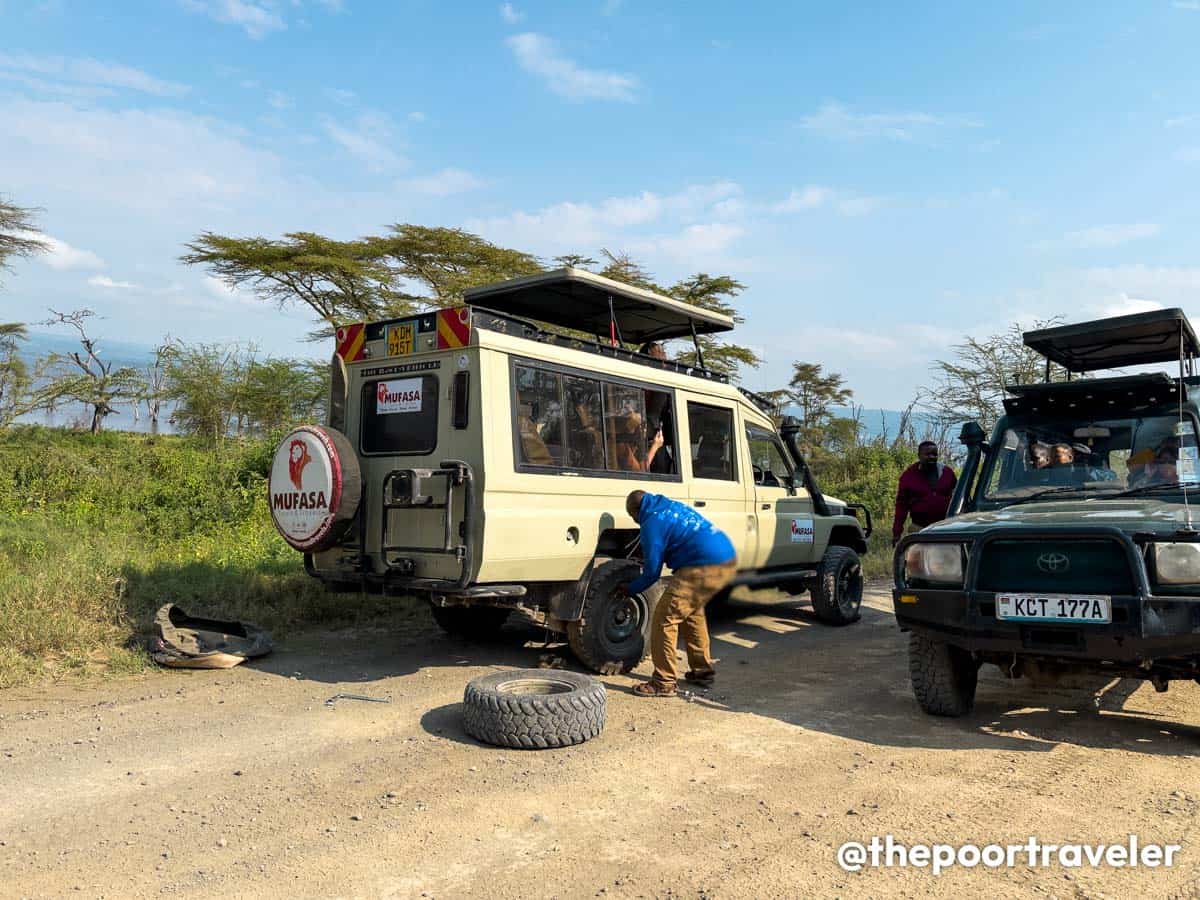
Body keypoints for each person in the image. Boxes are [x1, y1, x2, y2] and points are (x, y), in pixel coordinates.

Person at [622, 490, 737, 697]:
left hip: (702, 565)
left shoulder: (651, 522)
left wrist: (629, 590)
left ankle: (663, 682)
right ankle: (702, 672)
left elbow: (652, 573)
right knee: (692, 614)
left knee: (665, 618)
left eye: (632, 517)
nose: (635, 521)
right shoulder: (668, 506)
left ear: (636, 511)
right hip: (725, 558)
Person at [892, 441, 957, 546]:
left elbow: (959, 496)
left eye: (934, 454)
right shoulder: (908, 476)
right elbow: (901, 505)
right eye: (927, 454)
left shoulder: (947, 473)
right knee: (919, 560)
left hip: (945, 528)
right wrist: (897, 532)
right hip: (919, 528)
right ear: (919, 456)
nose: (931, 457)